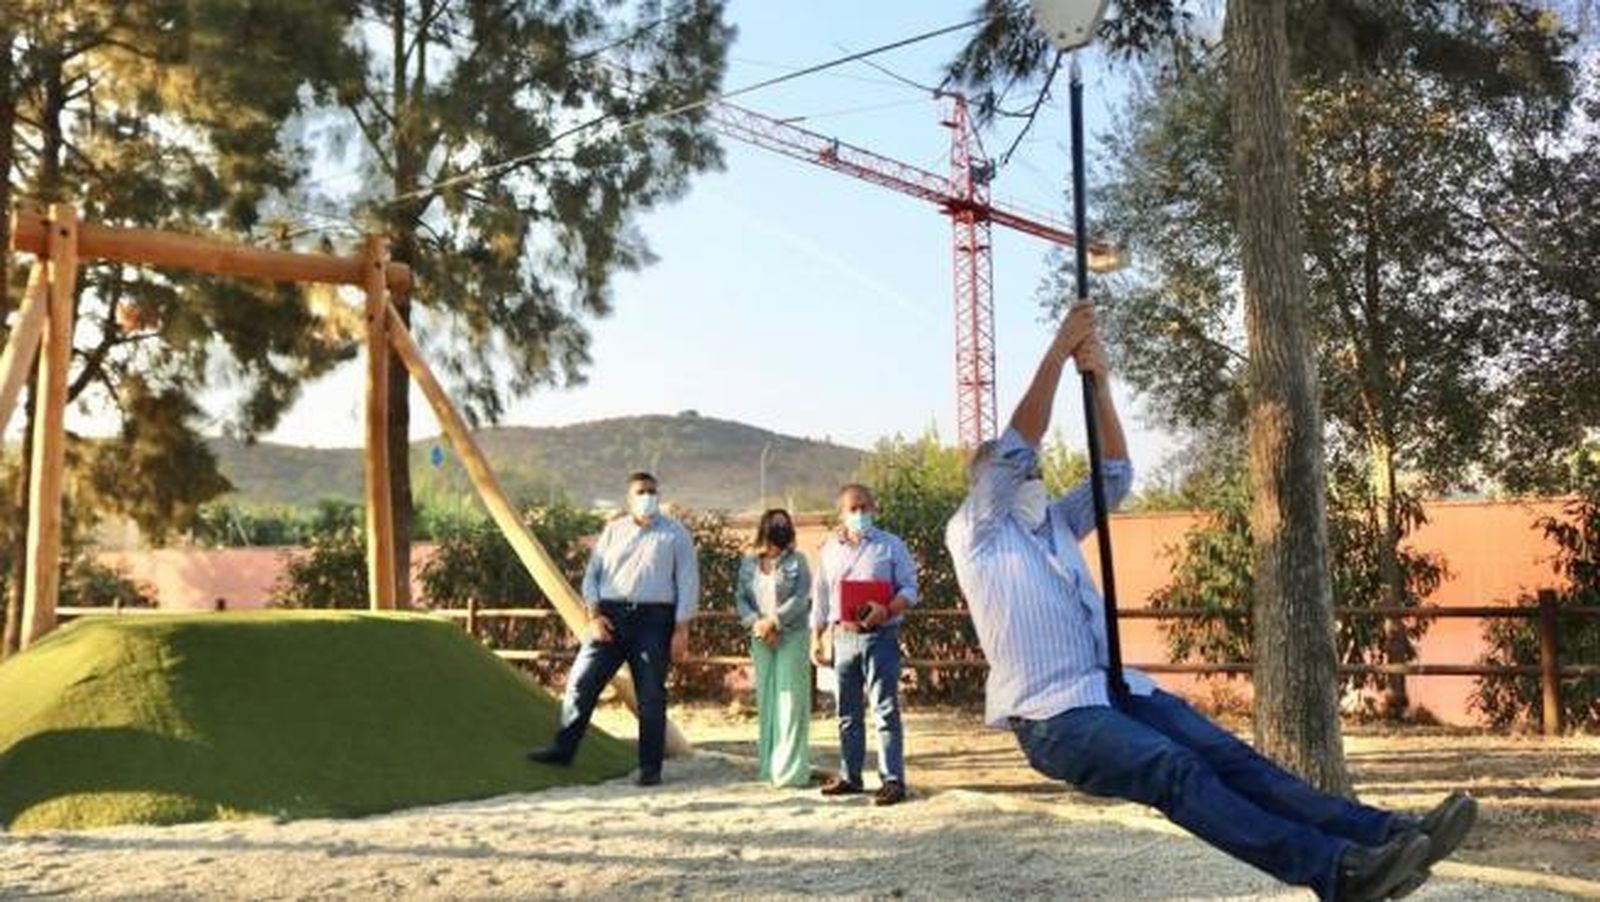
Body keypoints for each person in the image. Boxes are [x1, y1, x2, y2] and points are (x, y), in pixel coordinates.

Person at [943, 304, 1477, 902]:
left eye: (1035, 472)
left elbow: (1115, 473)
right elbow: (1019, 443)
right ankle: (1339, 872)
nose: (1030, 475)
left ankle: (1393, 836)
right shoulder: (977, 532)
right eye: (1016, 473)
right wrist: (1059, 351)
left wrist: (1099, 385)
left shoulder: (1056, 524)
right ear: (984, 485)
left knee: (1233, 759)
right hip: (1052, 718)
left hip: (1114, 689)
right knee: (1175, 769)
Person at [527, 471, 700, 786]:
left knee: (650, 694)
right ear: (629, 498)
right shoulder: (612, 531)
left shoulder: (676, 534)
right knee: (582, 681)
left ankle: (650, 768)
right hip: (610, 617)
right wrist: (593, 614)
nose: (647, 497)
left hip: (654, 620)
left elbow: (688, 583)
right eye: (640, 492)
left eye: (652, 491)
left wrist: (681, 628)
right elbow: (592, 576)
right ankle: (563, 749)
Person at [811, 483, 918, 806]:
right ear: (841, 514)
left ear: (875, 508)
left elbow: (911, 588)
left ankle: (893, 780)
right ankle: (851, 776)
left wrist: (887, 609)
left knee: (885, 710)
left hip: (881, 637)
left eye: (864, 507)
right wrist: (817, 638)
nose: (859, 514)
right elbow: (821, 597)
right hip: (844, 639)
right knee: (847, 712)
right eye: (852, 509)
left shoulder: (891, 546)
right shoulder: (830, 550)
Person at [735, 508, 814, 788]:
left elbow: (802, 597)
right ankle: (768, 767)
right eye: (775, 523)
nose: (780, 528)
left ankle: (790, 772)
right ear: (764, 527)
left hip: (791, 635)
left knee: (790, 700)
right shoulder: (748, 563)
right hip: (760, 638)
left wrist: (774, 622)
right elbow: (741, 597)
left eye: (785, 524)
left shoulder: (799, 561)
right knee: (768, 699)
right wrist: (757, 624)